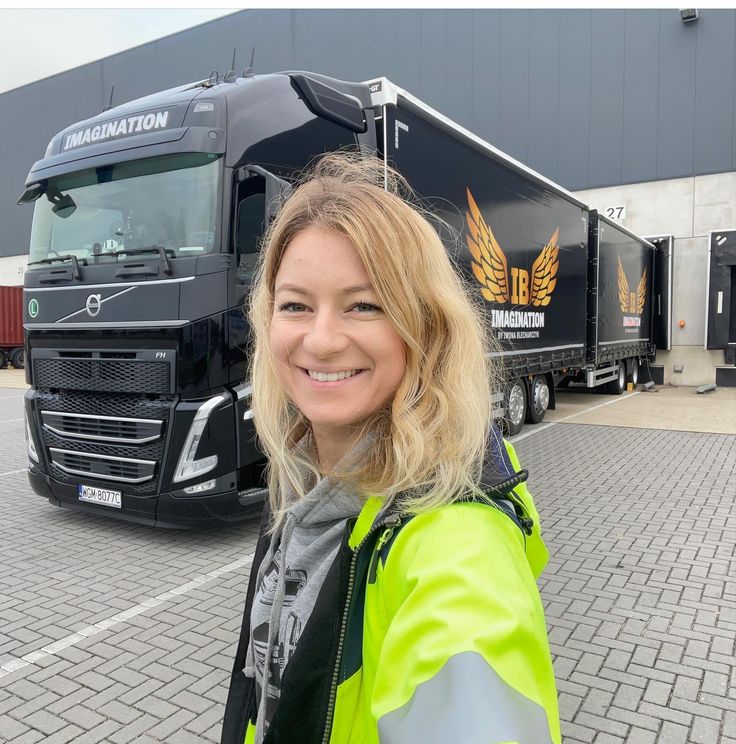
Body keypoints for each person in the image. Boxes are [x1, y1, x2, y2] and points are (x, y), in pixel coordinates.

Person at [221, 151, 561, 744]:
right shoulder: (300, 483)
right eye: (296, 304)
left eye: (364, 305)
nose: (321, 340)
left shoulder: (455, 549)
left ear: (423, 327)